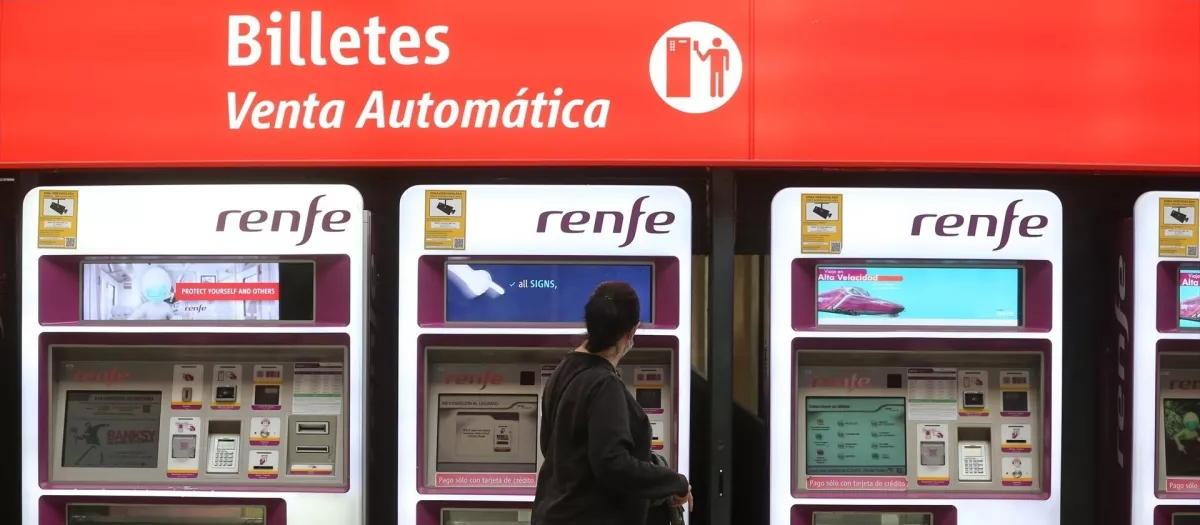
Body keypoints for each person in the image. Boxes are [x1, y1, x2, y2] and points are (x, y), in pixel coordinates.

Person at [532, 281, 693, 525]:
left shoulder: (562, 371)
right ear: (632, 331)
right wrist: (675, 482)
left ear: (589, 324)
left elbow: (553, 448)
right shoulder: (604, 384)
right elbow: (614, 465)